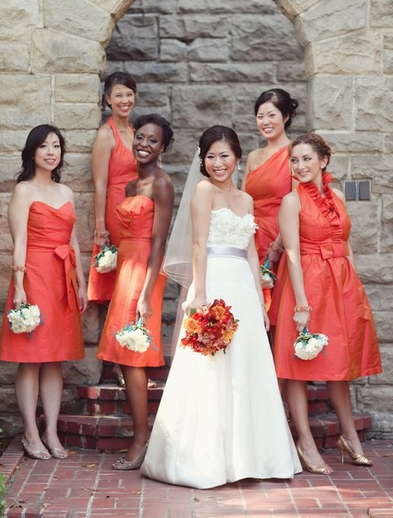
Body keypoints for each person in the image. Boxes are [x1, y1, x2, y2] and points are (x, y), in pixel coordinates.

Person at [141, 126, 301, 489]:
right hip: (212, 283)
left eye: (224, 155)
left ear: (237, 158)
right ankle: (207, 460)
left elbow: (249, 250)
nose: (217, 163)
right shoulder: (202, 191)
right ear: (204, 160)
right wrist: (200, 295)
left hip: (242, 288)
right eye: (210, 156)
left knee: (246, 368)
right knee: (210, 369)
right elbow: (198, 243)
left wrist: (260, 302)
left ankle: (251, 457)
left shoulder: (246, 200)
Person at [271, 133, 382, 475]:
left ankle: (349, 436)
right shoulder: (291, 201)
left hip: (340, 283)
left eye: (307, 159)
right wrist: (301, 303)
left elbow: (345, 243)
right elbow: (290, 253)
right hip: (307, 283)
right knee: (298, 367)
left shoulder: (335, 195)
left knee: (339, 363)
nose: (300, 166)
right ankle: (304, 441)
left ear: (324, 161)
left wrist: (355, 285)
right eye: (295, 160)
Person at [0, 124, 87, 460]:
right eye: (44, 146)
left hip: (62, 278)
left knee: (55, 358)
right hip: (33, 276)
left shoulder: (67, 193)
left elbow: (73, 241)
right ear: (32, 151)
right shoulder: (23, 190)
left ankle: (51, 432)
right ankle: (30, 434)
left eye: (57, 146)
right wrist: (19, 286)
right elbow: (19, 241)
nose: (51, 152)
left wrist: (81, 281)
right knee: (31, 358)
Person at [96, 113, 174, 470]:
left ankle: (142, 438)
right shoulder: (129, 187)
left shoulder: (161, 184)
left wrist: (145, 293)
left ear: (163, 147)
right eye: (140, 137)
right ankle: (140, 433)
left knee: (135, 355)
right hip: (125, 266)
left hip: (145, 270)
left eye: (152, 140)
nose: (144, 144)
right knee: (125, 354)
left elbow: (159, 242)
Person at [242, 88, 298, 315]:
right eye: (260, 116)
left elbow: (298, 204)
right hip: (252, 235)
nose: (265, 121)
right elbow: (243, 197)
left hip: (282, 236)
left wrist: (278, 245)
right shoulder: (253, 156)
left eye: (271, 115)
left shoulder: (296, 152)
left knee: (278, 304)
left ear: (285, 117)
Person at [87, 71, 138, 303]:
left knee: (137, 272)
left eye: (129, 94)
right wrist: (100, 228)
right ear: (108, 99)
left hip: (140, 210)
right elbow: (99, 184)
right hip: (117, 208)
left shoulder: (137, 133)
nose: (125, 100)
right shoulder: (106, 135)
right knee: (122, 271)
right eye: (118, 95)